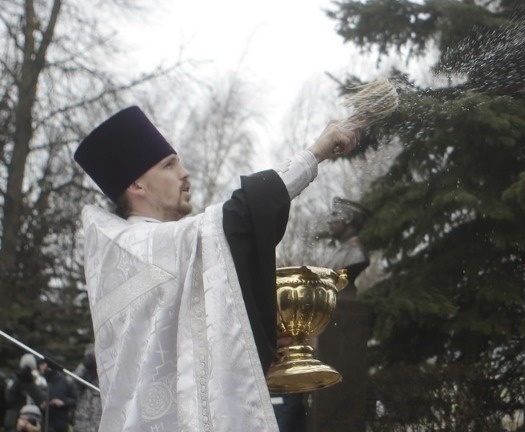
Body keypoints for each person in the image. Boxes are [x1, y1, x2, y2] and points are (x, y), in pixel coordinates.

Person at [73, 105, 359, 432]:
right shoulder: (140, 246)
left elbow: (189, 346)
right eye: (169, 165)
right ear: (138, 186)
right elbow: (238, 219)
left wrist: (256, 338)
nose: (184, 173)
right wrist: (316, 152)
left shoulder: (148, 248)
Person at [324, 196, 371, 293]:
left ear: (349, 218)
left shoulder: (357, 253)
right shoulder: (337, 252)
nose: (329, 221)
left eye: (335, 214)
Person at [3, 355, 44, 432]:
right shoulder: (25, 378)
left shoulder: (14, 377)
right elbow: (39, 398)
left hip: (9, 415)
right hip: (20, 415)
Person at [37, 361, 75, 432]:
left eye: (43, 364)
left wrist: (63, 402)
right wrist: (41, 406)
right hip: (45, 423)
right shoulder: (40, 381)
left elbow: (74, 400)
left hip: (60, 423)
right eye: (40, 365)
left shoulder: (64, 381)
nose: (41, 367)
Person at [70, 346, 100, 432]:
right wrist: (84, 366)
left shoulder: (107, 381)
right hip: (83, 426)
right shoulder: (84, 381)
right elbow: (72, 381)